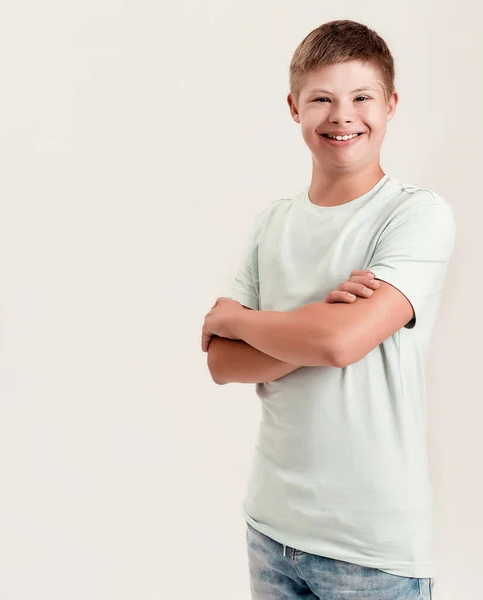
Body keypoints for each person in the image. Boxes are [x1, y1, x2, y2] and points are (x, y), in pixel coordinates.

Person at [201, 19, 454, 599]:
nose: (342, 116)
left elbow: (339, 345)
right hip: (271, 528)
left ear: (390, 105)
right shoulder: (272, 223)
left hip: (369, 548)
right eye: (322, 99)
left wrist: (236, 321)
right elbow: (221, 365)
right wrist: (314, 327)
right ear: (294, 107)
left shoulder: (415, 216)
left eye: (361, 97)